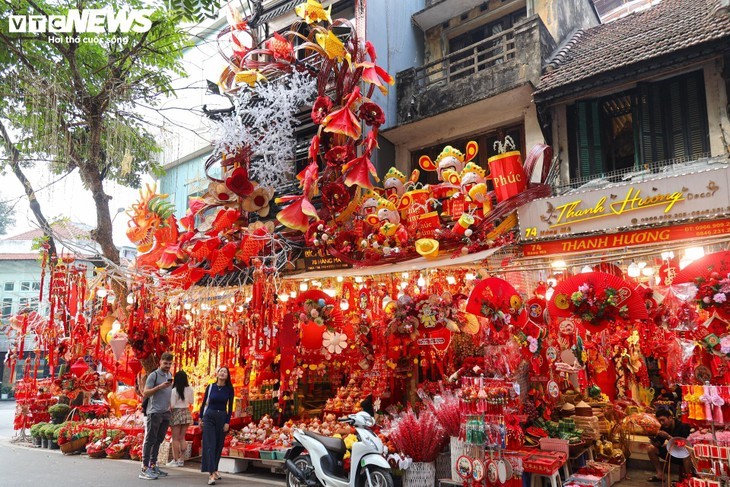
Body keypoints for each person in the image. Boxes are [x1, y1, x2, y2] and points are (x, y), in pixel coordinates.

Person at [139, 352, 174, 481]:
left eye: (170, 364)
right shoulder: (153, 376)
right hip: (154, 411)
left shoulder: (169, 375)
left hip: (165, 412)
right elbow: (145, 392)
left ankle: (153, 465)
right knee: (150, 439)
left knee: (159, 439)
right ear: (160, 362)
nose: (167, 366)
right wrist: (159, 387)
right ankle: (144, 468)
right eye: (165, 363)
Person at [200, 366, 234, 485]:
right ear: (217, 374)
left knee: (218, 445)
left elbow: (230, 408)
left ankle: (215, 468)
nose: (223, 373)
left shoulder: (229, 389)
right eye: (221, 371)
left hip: (222, 417)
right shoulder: (210, 387)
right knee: (210, 444)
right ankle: (211, 473)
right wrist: (200, 417)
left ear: (227, 376)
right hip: (209, 416)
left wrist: (227, 422)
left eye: (225, 372)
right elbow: (204, 403)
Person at [647, 408, 692, 482]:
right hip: (672, 453)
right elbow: (659, 444)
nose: (661, 423)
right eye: (659, 421)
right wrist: (652, 438)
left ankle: (689, 479)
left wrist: (668, 437)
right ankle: (660, 475)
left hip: (683, 455)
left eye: (663, 420)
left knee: (687, 453)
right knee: (651, 448)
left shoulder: (683, 426)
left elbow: (685, 446)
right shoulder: (663, 427)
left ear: (670, 418)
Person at [166, 370, 194, 468]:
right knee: (182, 437)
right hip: (186, 411)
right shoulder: (190, 389)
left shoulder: (174, 390)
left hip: (176, 412)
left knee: (175, 438)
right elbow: (192, 401)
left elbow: (172, 405)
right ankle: (181, 459)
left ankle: (175, 459)